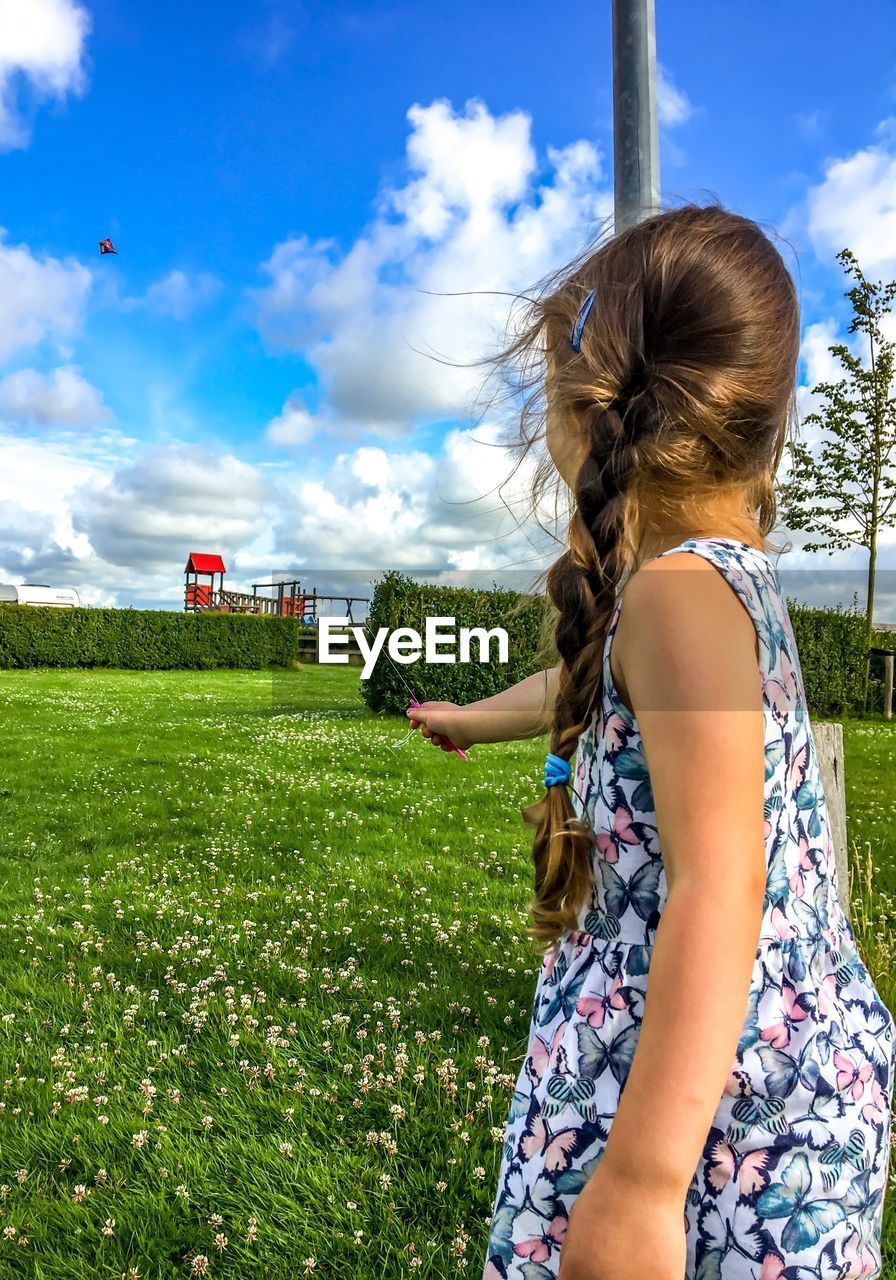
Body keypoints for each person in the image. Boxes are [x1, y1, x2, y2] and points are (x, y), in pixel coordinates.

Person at [407, 204, 895, 1280]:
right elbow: (593, 679)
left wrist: (642, 1181)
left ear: (588, 409)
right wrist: (474, 719)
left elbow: (722, 887)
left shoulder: (676, 597)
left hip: (708, 1113)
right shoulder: (719, 581)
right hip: (754, 1073)